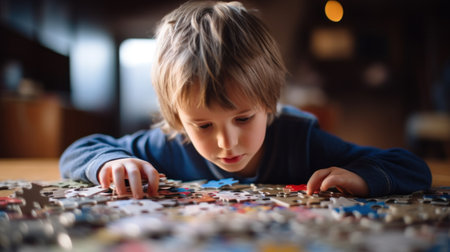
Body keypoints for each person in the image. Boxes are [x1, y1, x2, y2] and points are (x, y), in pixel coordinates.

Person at [59, 0, 431, 199]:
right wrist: (112, 162)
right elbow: (79, 151)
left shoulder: (299, 139)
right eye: (203, 125)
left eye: (243, 118)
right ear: (177, 119)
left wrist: (362, 178)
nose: (227, 142)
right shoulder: (168, 145)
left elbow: (411, 167)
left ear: (269, 104)